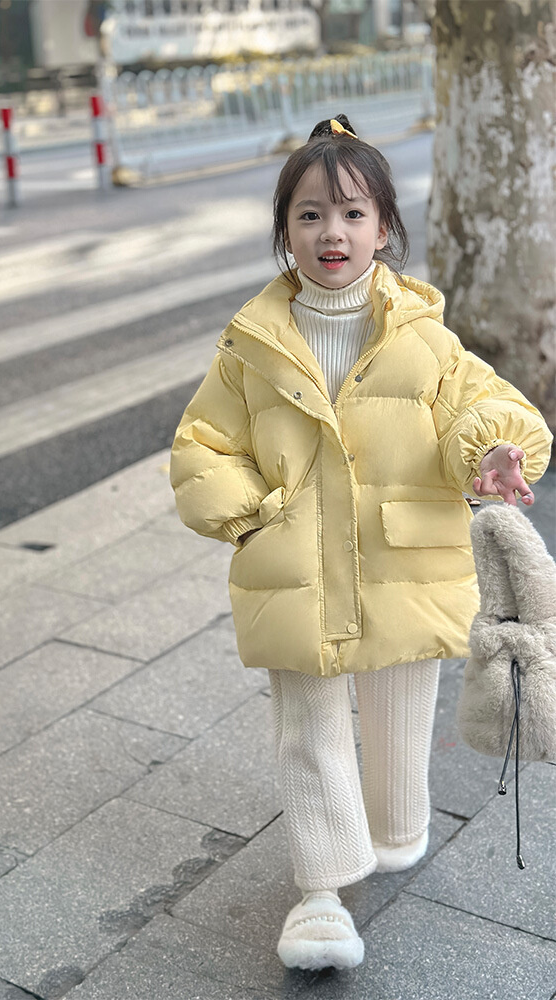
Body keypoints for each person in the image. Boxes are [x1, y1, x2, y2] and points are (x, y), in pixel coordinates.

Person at [169, 114, 553, 972]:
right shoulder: (251, 348)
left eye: (350, 213)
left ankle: (389, 830)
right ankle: (319, 893)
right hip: (293, 563)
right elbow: (201, 446)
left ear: (384, 228)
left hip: (405, 560)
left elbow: (488, 410)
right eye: (308, 215)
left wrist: (493, 455)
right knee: (307, 725)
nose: (330, 232)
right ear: (284, 235)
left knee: (395, 717)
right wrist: (251, 512)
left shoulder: (425, 336)